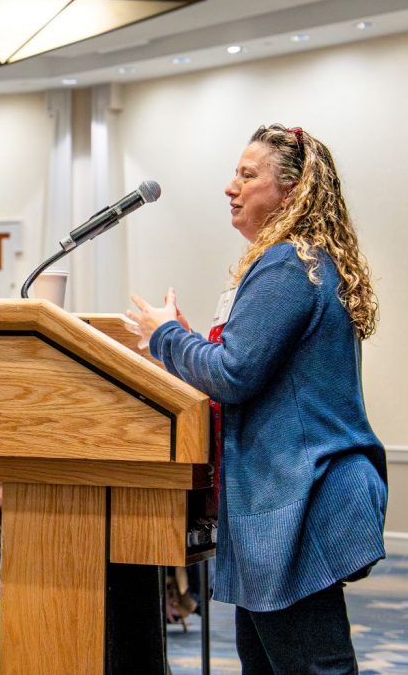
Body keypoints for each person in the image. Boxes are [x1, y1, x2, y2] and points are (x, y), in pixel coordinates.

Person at [126, 124, 386, 673]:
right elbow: (244, 365)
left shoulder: (288, 264)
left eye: (248, 175)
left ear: (290, 191)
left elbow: (236, 374)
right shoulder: (295, 261)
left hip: (297, 496)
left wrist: (167, 336)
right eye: (234, 174)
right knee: (266, 663)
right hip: (281, 496)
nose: (231, 187)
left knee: (313, 665)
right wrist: (187, 345)